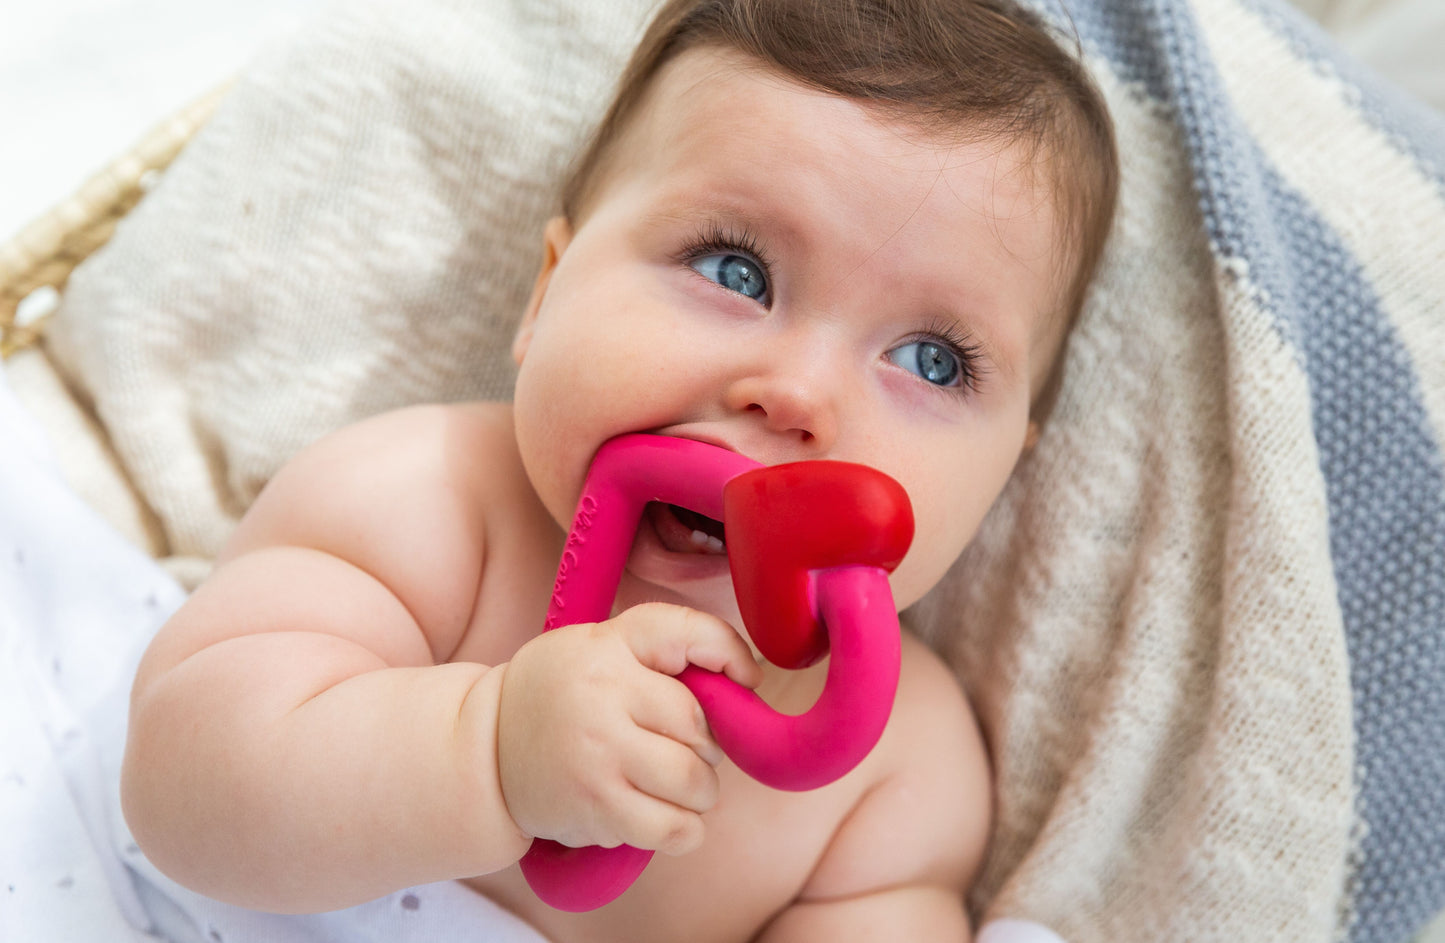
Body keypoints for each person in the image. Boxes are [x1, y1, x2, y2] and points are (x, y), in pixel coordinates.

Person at [120, 0, 1118, 939]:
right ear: (544, 297)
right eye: (735, 269)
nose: (796, 395)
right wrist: (484, 749)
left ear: (1002, 475)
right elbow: (180, 790)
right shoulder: (420, 507)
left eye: (930, 361)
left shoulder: (896, 770)